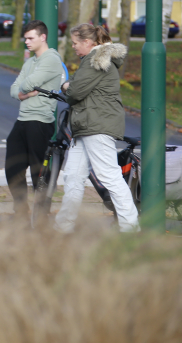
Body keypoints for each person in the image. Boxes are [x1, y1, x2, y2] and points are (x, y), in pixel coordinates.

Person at [53, 23, 140, 233]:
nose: (73, 46)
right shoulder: (92, 60)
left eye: (75, 42)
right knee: (73, 176)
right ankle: (62, 228)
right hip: (87, 126)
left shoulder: (95, 61)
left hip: (96, 125)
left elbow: (74, 92)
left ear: (87, 42)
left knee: (110, 176)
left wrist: (65, 85)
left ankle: (131, 228)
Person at [6, 20, 66, 222]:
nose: (27, 42)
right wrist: (23, 93)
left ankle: (41, 217)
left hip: (40, 121)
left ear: (43, 37)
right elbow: (15, 89)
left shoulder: (52, 60)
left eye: (31, 38)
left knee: (39, 172)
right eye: (25, 38)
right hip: (23, 119)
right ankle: (21, 213)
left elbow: (26, 84)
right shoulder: (30, 62)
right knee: (12, 168)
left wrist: (24, 90)